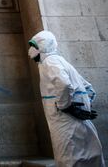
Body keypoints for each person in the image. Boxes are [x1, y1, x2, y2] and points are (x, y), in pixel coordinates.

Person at [28, 30, 105, 167]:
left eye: (33, 46)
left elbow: (64, 84)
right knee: (88, 153)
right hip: (75, 116)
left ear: (41, 48)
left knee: (68, 155)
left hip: (64, 119)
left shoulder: (49, 62)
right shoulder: (60, 61)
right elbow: (88, 89)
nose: (30, 51)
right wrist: (82, 106)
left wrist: (66, 106)